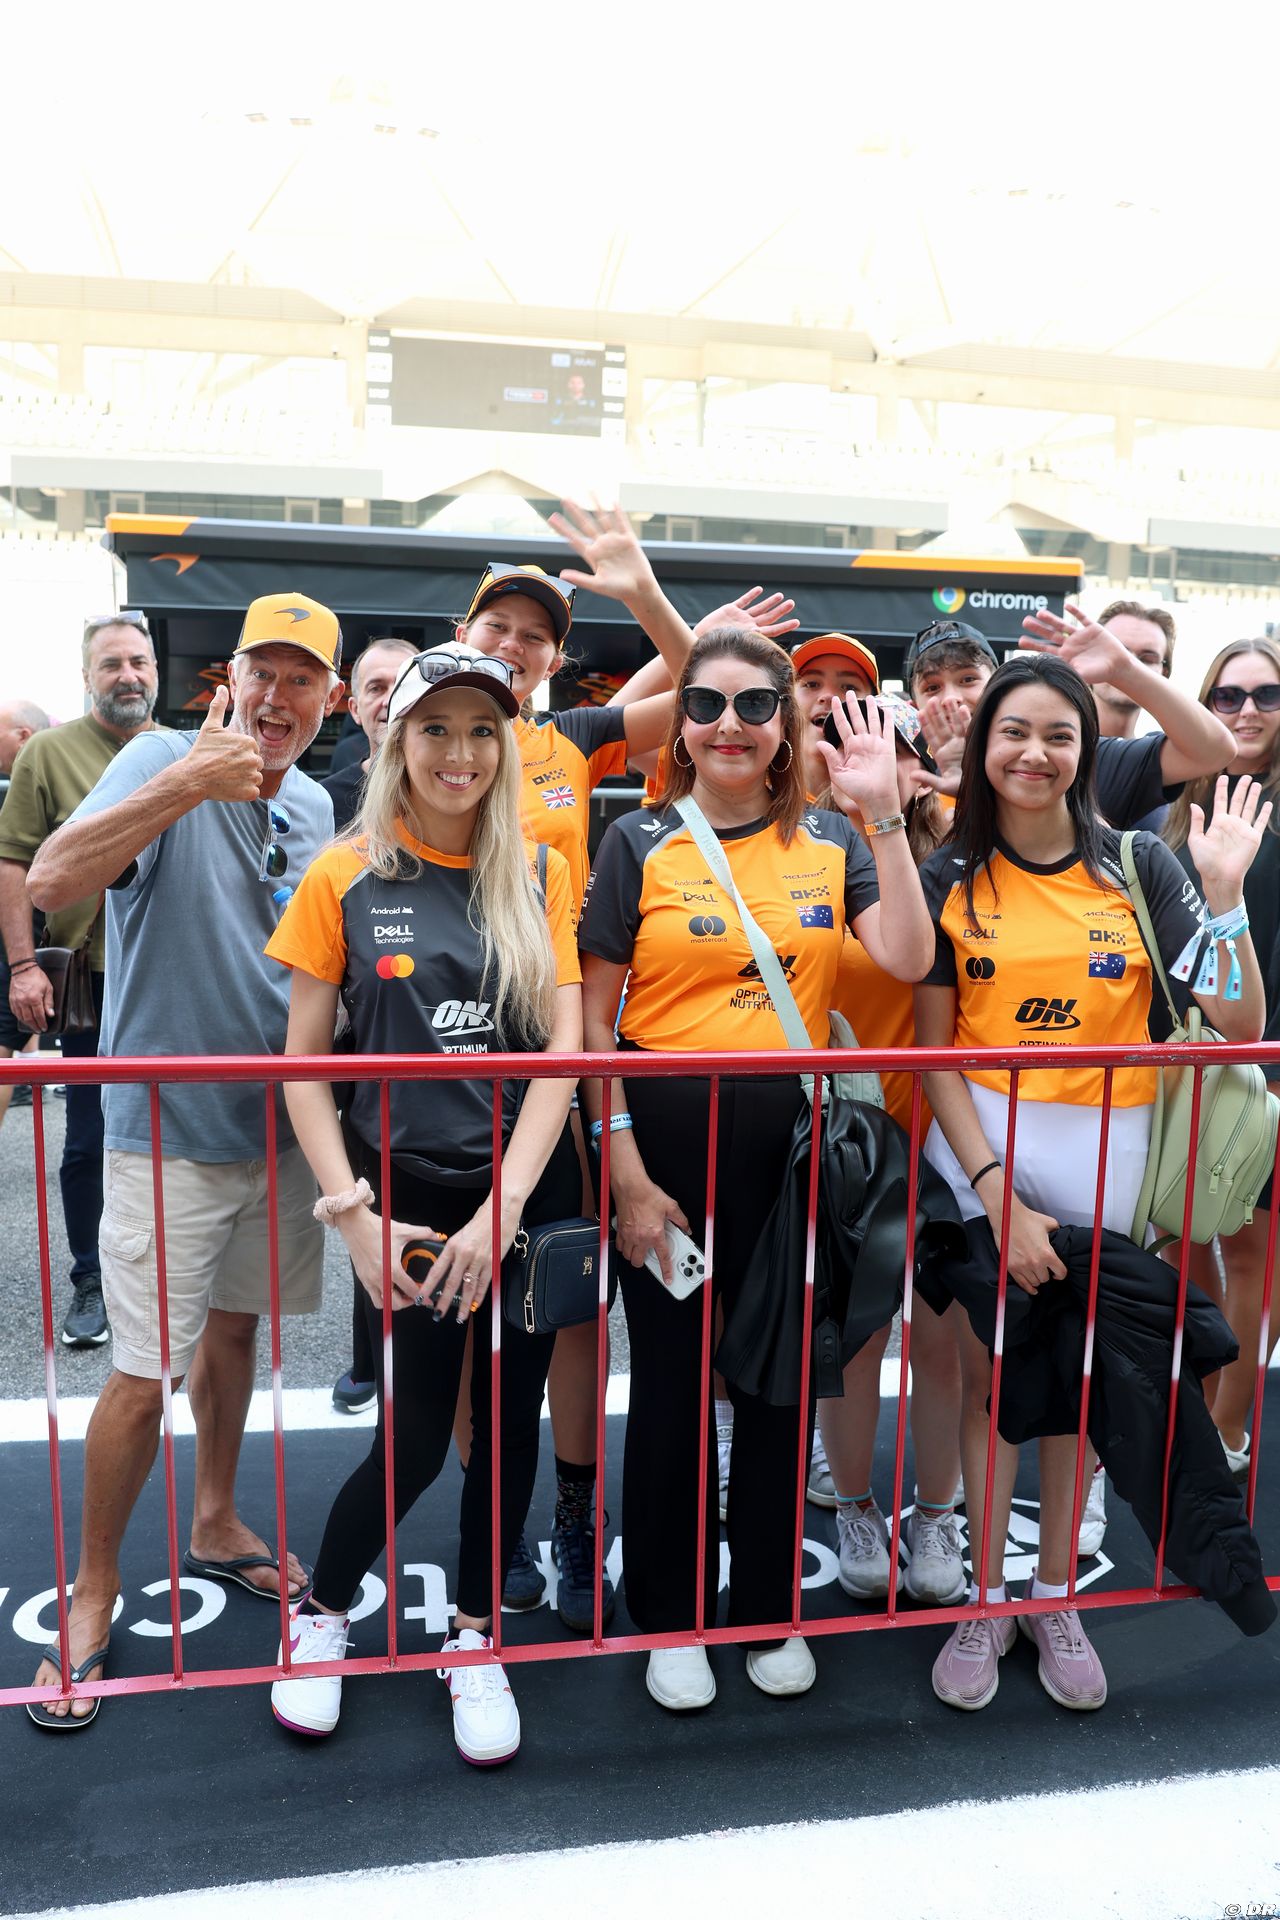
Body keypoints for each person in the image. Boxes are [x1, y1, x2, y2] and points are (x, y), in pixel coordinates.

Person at [578, 627, 935, 1712]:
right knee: (673, 1379)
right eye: (705, 705)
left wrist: (882, 813)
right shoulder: (635, 840)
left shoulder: (833, 837)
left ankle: (770, 1605)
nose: (726, 725)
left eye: (752, 705)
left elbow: (909, 958)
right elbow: (593, 1026)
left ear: (785, 725)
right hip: (662, 1142)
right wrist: (624, 1172)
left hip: (789, 1149)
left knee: (781, 1374)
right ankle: (670, 1614)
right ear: (680, 725)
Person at [914, 650, 1267, 1714]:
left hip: (1111, 1157)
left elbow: (1237, 1021)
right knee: (993, 1380)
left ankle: (1054, 1594)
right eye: (1013, 732)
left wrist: (1224, 898)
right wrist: (995, 1194)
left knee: (1080, 1385)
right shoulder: (950, 872)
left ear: (1085, 751)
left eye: (1058, 735)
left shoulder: (1136, 864)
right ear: (984, 747)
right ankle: (985, 1599)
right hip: (980, 1161)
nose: (1034, 753)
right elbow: (932, 1052)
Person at [24, 592, 342, 1728]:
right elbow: (50, 879)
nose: (278, 697)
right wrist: (186, 786)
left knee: (236, 1336)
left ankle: (213, 1519)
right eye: (264, 672)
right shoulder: (162, 757)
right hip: (162, 1134)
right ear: (228, 680)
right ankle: (94, 1587)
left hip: (276, 1134)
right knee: (140, 1371)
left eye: (302, 679)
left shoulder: (315, 803)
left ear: (329, 700)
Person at [264, 643, 582, 1766]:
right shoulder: (341, 876)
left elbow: (564, 1056)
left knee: (506, 1429)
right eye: (436, 728)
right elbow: (303, 1067)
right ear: (396, 741)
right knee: (409, 1439)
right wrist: (351, 1215)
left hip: (524, 1193)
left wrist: (506, 1212)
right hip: (398, 1199)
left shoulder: (540, 871)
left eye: (483, 730)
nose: (461, 752)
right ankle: (323, 1613)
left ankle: (476, 1636)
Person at [452, 509, 698, 1631]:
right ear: (463, 632)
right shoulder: (421, 734)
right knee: (466, 1301)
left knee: (565, 1296)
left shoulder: (572, 738)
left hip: (555, 1048)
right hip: (450, 1060)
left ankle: (569, 1510)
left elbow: (708, 691)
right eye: (496, 626)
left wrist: (641, 594)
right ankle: (487, 1517)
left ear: (556, 656)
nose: (513, 644)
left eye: (534, 634)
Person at [798, 684, 966, 1605]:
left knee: (942, 1345)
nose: (855, 758)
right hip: (845, 1148)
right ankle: (857, 1504)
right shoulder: (803, 852)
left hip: (946, 1141)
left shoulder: (959, 859)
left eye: (886, 745)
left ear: (918, 767)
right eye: (835, 741)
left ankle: (936, 1514)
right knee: (855, 1340)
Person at [0, 616, 160, 1347]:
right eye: (111, 664)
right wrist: (23, 965)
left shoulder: (183, 750)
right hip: (91, 983)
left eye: (139, 662)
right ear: (87, 677)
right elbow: (12, 863)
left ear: (155, 670)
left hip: (168, 979)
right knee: (91, 1138)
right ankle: (92, 1279)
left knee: (181, 1137)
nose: (128, 675)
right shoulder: (49, 752)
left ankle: (169, 1274)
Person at [1164, 637, 1280, 1482]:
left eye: (1266, 695)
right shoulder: (1174, 806)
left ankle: (1228, 1425)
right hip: (1179, 1066)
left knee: (1250, 1254)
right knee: (1181, 1243)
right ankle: (1198, 1404)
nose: (1246, 710)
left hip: (1266, 1069)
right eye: (1228, 695)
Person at [319, 635, 419, 1417]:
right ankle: (370, 1358)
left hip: (447, 1027)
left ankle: (420, 1368)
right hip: (359, 1030)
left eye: (402, 682)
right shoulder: (327, 795)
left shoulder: (459, 778)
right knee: (368, 1195)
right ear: (353, 706)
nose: (388, 698)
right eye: (374, 686)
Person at [907, 607, 1234, 834]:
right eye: (932, 687)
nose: (951, 698)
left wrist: (1125, 670)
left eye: (968, 679)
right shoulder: (907, 776)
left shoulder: (1088, 758)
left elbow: (1213, 751)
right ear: (912, 704)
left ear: (997, 685)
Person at [1090, 600, 1179, 832]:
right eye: (1117, 653)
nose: (1127, 667)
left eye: (1146, 659)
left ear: (1163, 672)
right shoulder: (1058, 748)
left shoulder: (1168, 758)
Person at [319, 636, 419, 835]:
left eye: (404, 686)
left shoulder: (451, 790)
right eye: (376, 688)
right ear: (355, 710)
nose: (391, 700)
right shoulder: (324, 802)